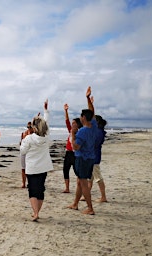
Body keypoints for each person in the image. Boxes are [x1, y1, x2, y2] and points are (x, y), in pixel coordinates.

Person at [67, 86, 98, 215]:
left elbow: (75, 147)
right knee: (80, 181)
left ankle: (90, 208)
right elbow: (92, 111)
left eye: (81, 116)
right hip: (90, 158)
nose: (80, 118)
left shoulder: (83, 131)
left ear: (84, 118)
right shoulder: (93, 126)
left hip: (82, 158)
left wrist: (73, 133)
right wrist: (87, 99)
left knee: (83, 182)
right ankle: (75, 204)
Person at [20, 100, 52, 221]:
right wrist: (45, 111)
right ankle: (37, 212)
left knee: (32, 190)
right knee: (40, 189)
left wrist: (23, 140)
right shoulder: (46, 136)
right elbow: (46, 123)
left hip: (32, 167)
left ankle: (36, 213)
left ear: (33, 127)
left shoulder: (28, 138)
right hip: (43, 167)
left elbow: (22, 151)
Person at [62, 103, 83, 193]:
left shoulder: (80, 133)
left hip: (75, 154)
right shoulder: (71, 131)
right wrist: (66, 111)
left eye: (74, 123)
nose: (72, 124)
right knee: (65, 170)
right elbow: (67, 121)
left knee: (77, 172)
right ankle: (67, 188)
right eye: (72, 123)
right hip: (68, 153)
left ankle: (81, 187)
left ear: (78, 125)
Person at [89, 113, 108, 202]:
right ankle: (86, 195)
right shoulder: (98, 131)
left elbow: (94, 143)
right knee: (90, 178)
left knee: (98, 177)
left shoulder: (98, 132)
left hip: (94, 157)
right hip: (93, 156)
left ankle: (103, 197)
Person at [19, 121, 33, 188]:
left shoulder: (34, 135)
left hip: (30, 152)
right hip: (23, 152)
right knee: (23, 168)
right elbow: (20, 143)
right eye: (28, 127)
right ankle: (23, 183)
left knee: (30, 169)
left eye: (30, 127)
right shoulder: (24, 133)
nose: (29, 128)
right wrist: (23, 139)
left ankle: (30, 183)